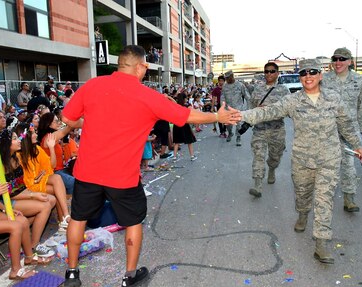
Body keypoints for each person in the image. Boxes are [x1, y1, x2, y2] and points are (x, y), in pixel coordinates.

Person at [60, 45, 240, 287]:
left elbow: (67, 118)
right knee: (132, 222)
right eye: (146, 66)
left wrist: (89, 122)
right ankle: (129, 277)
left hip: (88, 172)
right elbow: (185, 115)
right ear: (140, 66)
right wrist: (217, 117)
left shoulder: (91, 85)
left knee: (78, 219)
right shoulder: (147, 96)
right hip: (122, 176)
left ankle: (72, 275)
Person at [240, 59, 362, 264]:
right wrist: (240, 115)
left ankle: (321, 243)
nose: (308, 76)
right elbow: (267, 112)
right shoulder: (294, 100)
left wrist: (357, 144)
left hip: (329, 158)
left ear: (320, 75)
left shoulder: (333, 98)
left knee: (324, 199)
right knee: (303, 194)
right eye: (304, 73)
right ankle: (303, 214)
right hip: (302, 160)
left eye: (313, 72)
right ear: (301, 77)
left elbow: (346, 124)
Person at [0, 142, 49, 281]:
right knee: (15, 226)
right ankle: (15, 271)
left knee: (22, 220)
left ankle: (29, 257)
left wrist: (8, 210)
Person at [0, 129, 57, 258]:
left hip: (17, 195)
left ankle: (24, 231)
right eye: (15, 138)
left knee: (51, 199)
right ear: (6, 144)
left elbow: (19, 186)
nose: (19, 141)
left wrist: (33, 193)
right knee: (45, 205)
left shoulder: (14, 159)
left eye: (18, 137)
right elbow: (7, 194)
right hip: (1, 203)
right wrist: (33, 195)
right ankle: (34, 244)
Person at [321, 47, 362, 212]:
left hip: (350, 129)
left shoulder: (359, 80)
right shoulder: (324, 79)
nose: (338, 62)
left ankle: (349, 198)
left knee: (349, 164)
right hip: (329, 129)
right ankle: (323, 199)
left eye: (342, 59)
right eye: (335, 59)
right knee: (327, 166)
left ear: (350, 61)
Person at [15, 123, 70, 230]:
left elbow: (52, 166)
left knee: (57, 180)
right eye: (33, 133)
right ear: (26, 137)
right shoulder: (18, 156)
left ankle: (64, 218)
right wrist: (39, 177)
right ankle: (64, 219)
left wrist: (51, 148)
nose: (36, 135)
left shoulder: (37, 149)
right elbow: (27, 182)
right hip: (28, 188)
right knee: (57, 187)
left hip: (39, 182)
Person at [248, 62, 290, 197]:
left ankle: (272, 168)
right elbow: (250, 107)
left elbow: (290, 109)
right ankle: (258, 185)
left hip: (277, 130)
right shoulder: (257, 89)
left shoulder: (284, 90)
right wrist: (256, 110)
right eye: (266, 71)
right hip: (260, 129)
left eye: (272, 71)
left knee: (275, 155)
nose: (269, 74)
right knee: (258, 156)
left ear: (277, 73)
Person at [38, 113, 75, 195]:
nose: (59, 123)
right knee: (74, 183)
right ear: (49, 124)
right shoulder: (48, 137)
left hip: (62, 169)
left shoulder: (54, 138)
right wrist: (72, 123)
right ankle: (69, 203)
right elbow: (63, 132)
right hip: (54, 172)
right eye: (56, 121)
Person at [221, 70, 250, 146]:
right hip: (228, 109)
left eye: (228, 78)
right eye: (226, 78)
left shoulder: (240, 85)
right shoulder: (224, 86)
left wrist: (249, 108)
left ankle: (238, 137)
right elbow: (222, 97)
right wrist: (222, 107)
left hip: (238, 108)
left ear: (232, 77)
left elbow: (247, 96)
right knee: (228, 125)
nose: (226, 80)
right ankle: (230, 133)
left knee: (239, 124)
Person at [172, 92, 197, 161]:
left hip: (176, 124)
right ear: (184, 98)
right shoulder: (187, 106)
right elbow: (192, 113)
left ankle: (174, 156)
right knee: (189, 141)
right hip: (185, 124)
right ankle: (192, 156)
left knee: (177, 141)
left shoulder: (176, 105)